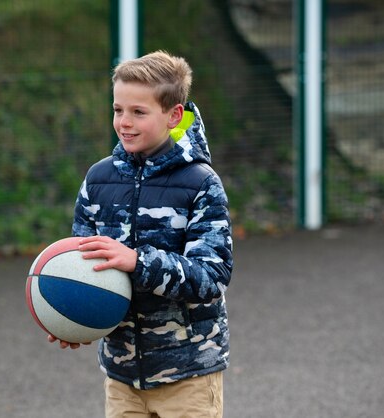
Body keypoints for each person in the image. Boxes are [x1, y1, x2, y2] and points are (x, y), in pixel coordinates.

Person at [48, 50, 233, 418]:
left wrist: (138, 261)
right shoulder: (97, 180)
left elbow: (212, 276)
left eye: (138, 112)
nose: (124, 122)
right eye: (118, 110)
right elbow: (81, 266)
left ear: (173, 115)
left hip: (188, 376)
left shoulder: (200, 183)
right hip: (122, 378)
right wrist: (71, 316)